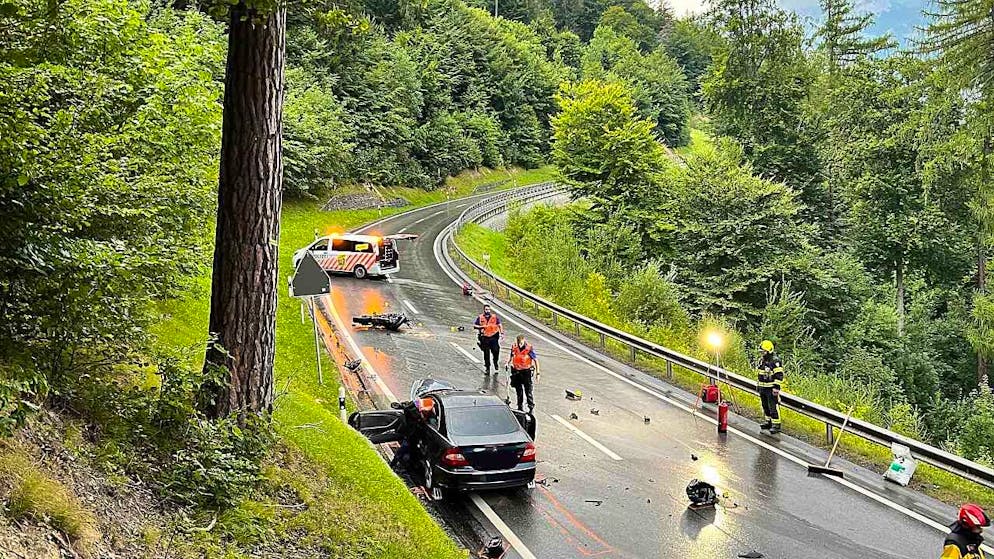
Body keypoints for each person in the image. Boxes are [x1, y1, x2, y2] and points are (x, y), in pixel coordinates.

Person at [505, 334, 539, 413]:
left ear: (524, 341)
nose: (519, 345)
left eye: (521, 343)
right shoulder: (514, 347)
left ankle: (530, 406)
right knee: (518, 390)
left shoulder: (529, 348)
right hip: (516, 371)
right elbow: (511, 356)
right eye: (518, 343)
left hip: (526, 372)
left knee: (528, 390)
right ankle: (520, 406)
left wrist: (538, 373)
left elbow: (535, 360)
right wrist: (507, 362)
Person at [756, 340, 784, 434]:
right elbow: (760, 374)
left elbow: (779, 375)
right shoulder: (762, 360)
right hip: (763, 388)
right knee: (765, 406)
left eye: (763, 351)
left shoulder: (775, 361)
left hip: (771, 389)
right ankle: (769, 422)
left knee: (772, 407)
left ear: (769, 351)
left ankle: (776, 425)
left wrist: (776, 388)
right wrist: (759, 386)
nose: (762, 353)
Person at [473, 304, 504, 375]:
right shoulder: (480, 317)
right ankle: (487, 367)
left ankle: (495, 362)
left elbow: (500, 324)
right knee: (486, 353)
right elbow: (475, 325)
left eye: (489, 309)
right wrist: (481, 327)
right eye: (486, 309)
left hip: (494, 336)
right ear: (484, 310)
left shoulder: (494, 317)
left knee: (496, 350)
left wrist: (502, 333)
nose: (488, 311)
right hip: (485, 337)